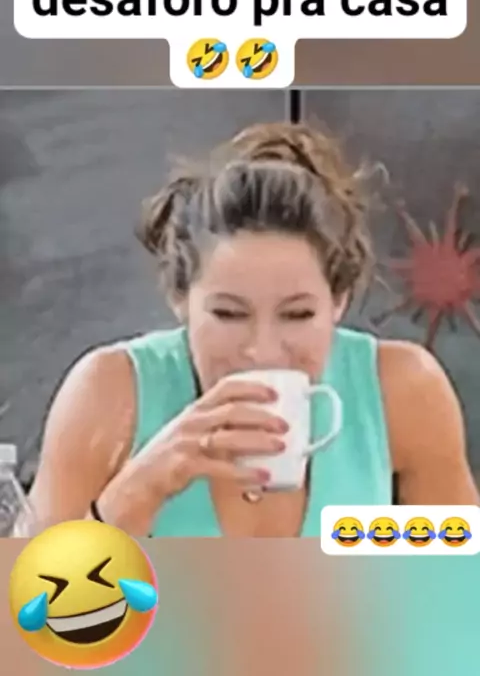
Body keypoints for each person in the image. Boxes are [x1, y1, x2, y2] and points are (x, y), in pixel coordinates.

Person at [27, 122, 478, 537]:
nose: (263, 352)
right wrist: (139, 489)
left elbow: (461, 586)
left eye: (298, 315)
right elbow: (29, 598)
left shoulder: (402, 391)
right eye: (228, 314)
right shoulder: (108, 392)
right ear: (180, 298)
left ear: (338, 300)